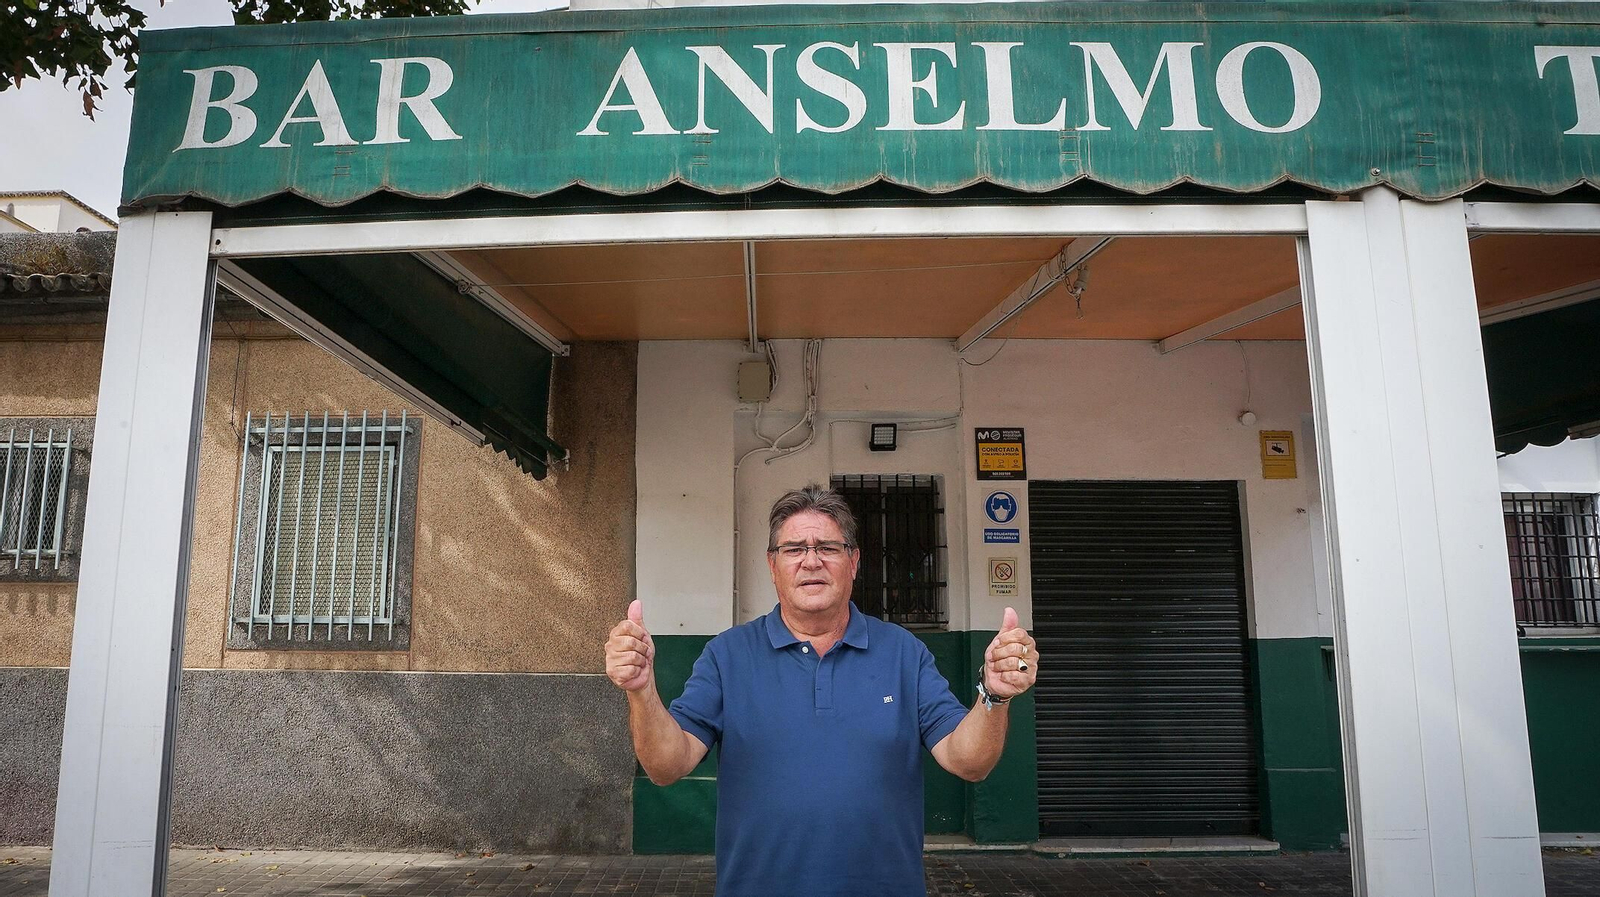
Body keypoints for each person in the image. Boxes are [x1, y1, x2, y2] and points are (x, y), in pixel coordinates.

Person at [604, 484, 1039, 897]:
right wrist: (641, 691)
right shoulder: (727, 655)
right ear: (772, 565)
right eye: (794, 549)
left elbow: (968, 762)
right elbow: (666, 766)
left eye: (828, 547)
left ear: (854, 562)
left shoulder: (904, 653)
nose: (811, 561)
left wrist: (994, 695)